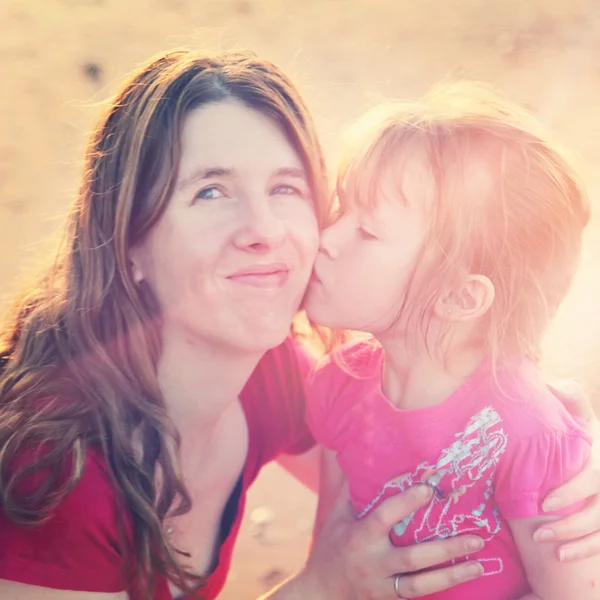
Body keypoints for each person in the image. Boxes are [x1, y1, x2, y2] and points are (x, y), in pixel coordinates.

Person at [0, 51, 598, 600]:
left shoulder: (276, 375)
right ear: (128, 240)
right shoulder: (54, 472)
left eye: (286, 187)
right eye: (210, 192)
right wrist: (321, 587)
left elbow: (417, 460)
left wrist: (565, 471)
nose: (264, 229)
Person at [304, 81, 599, 599]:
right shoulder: (338, 386)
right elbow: (329, 562)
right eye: (340, 209)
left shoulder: (530, 434)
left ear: (461, 298)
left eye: (367, 230)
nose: (326, 239)